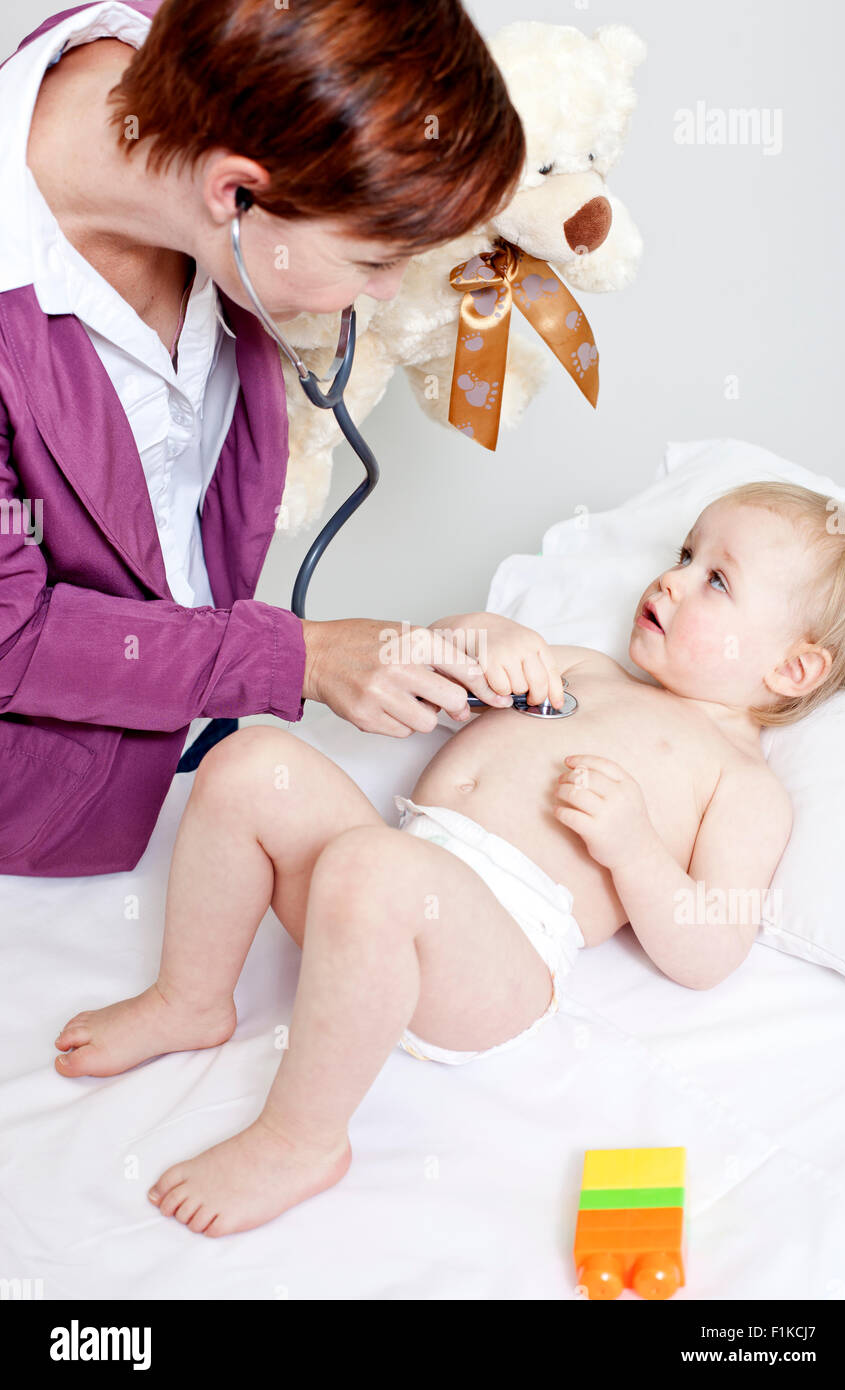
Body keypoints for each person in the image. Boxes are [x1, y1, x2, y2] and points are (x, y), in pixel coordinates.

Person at [54, 482, 845, 1236]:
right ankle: (189, 999)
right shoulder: (585, 668)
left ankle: (301, 1138)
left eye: (715, 580)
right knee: (249, 765)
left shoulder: (742, 783)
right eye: (684, 555)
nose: (671, 581)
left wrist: (633, 848)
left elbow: (710, 949)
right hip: (381, 892)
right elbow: (434, 665)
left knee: (374, 870)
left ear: (791, 668)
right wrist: (490, 639)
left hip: (491, 964)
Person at [0, 0, 525, 877]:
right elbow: (12, 639)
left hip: (207, 736)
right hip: (56, 807)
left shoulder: (236, 54)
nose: (390, 293)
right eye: (372, 263)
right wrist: (302, 657)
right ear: (234, 194)